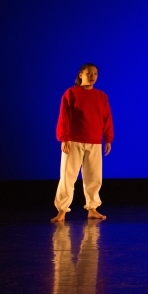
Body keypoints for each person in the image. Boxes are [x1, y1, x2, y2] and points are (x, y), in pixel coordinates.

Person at [52, 63, 114, 222]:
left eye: (95, 73)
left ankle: (92, 208)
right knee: (67, 177)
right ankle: (62, 210)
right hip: (73, 141)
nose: (92, 76)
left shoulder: (101, 96)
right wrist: (64, 138)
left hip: (94, 141)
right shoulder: (71, 93)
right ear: (81, 75)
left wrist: (108, 138)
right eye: (89, 73)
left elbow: (106, 118)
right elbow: (64, 117)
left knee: (94, 177)